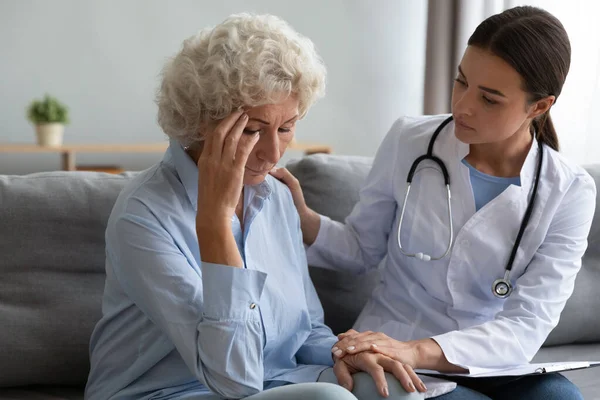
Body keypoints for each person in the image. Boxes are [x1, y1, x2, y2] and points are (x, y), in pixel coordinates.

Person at [84, 13, 428, 400]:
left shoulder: (276, 197)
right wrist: (215, 221)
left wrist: (344, 354)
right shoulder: (144, 215)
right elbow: (233, 380)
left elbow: (306, 326)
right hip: (169, 392)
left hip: (276, 382)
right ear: (201, 123)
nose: (273, 152)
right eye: (251, 130)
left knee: (397, 390)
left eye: (286, 128)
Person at [273, 6, 596, 399]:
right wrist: (302, 217)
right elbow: (361, 249)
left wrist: (418, 351)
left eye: (490, 99)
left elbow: (527, 324)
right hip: (393, 345)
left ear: (540, 106)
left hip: (489, 357)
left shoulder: (569, 190)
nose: (463, 105)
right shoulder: (410, 140)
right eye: (461, 82)